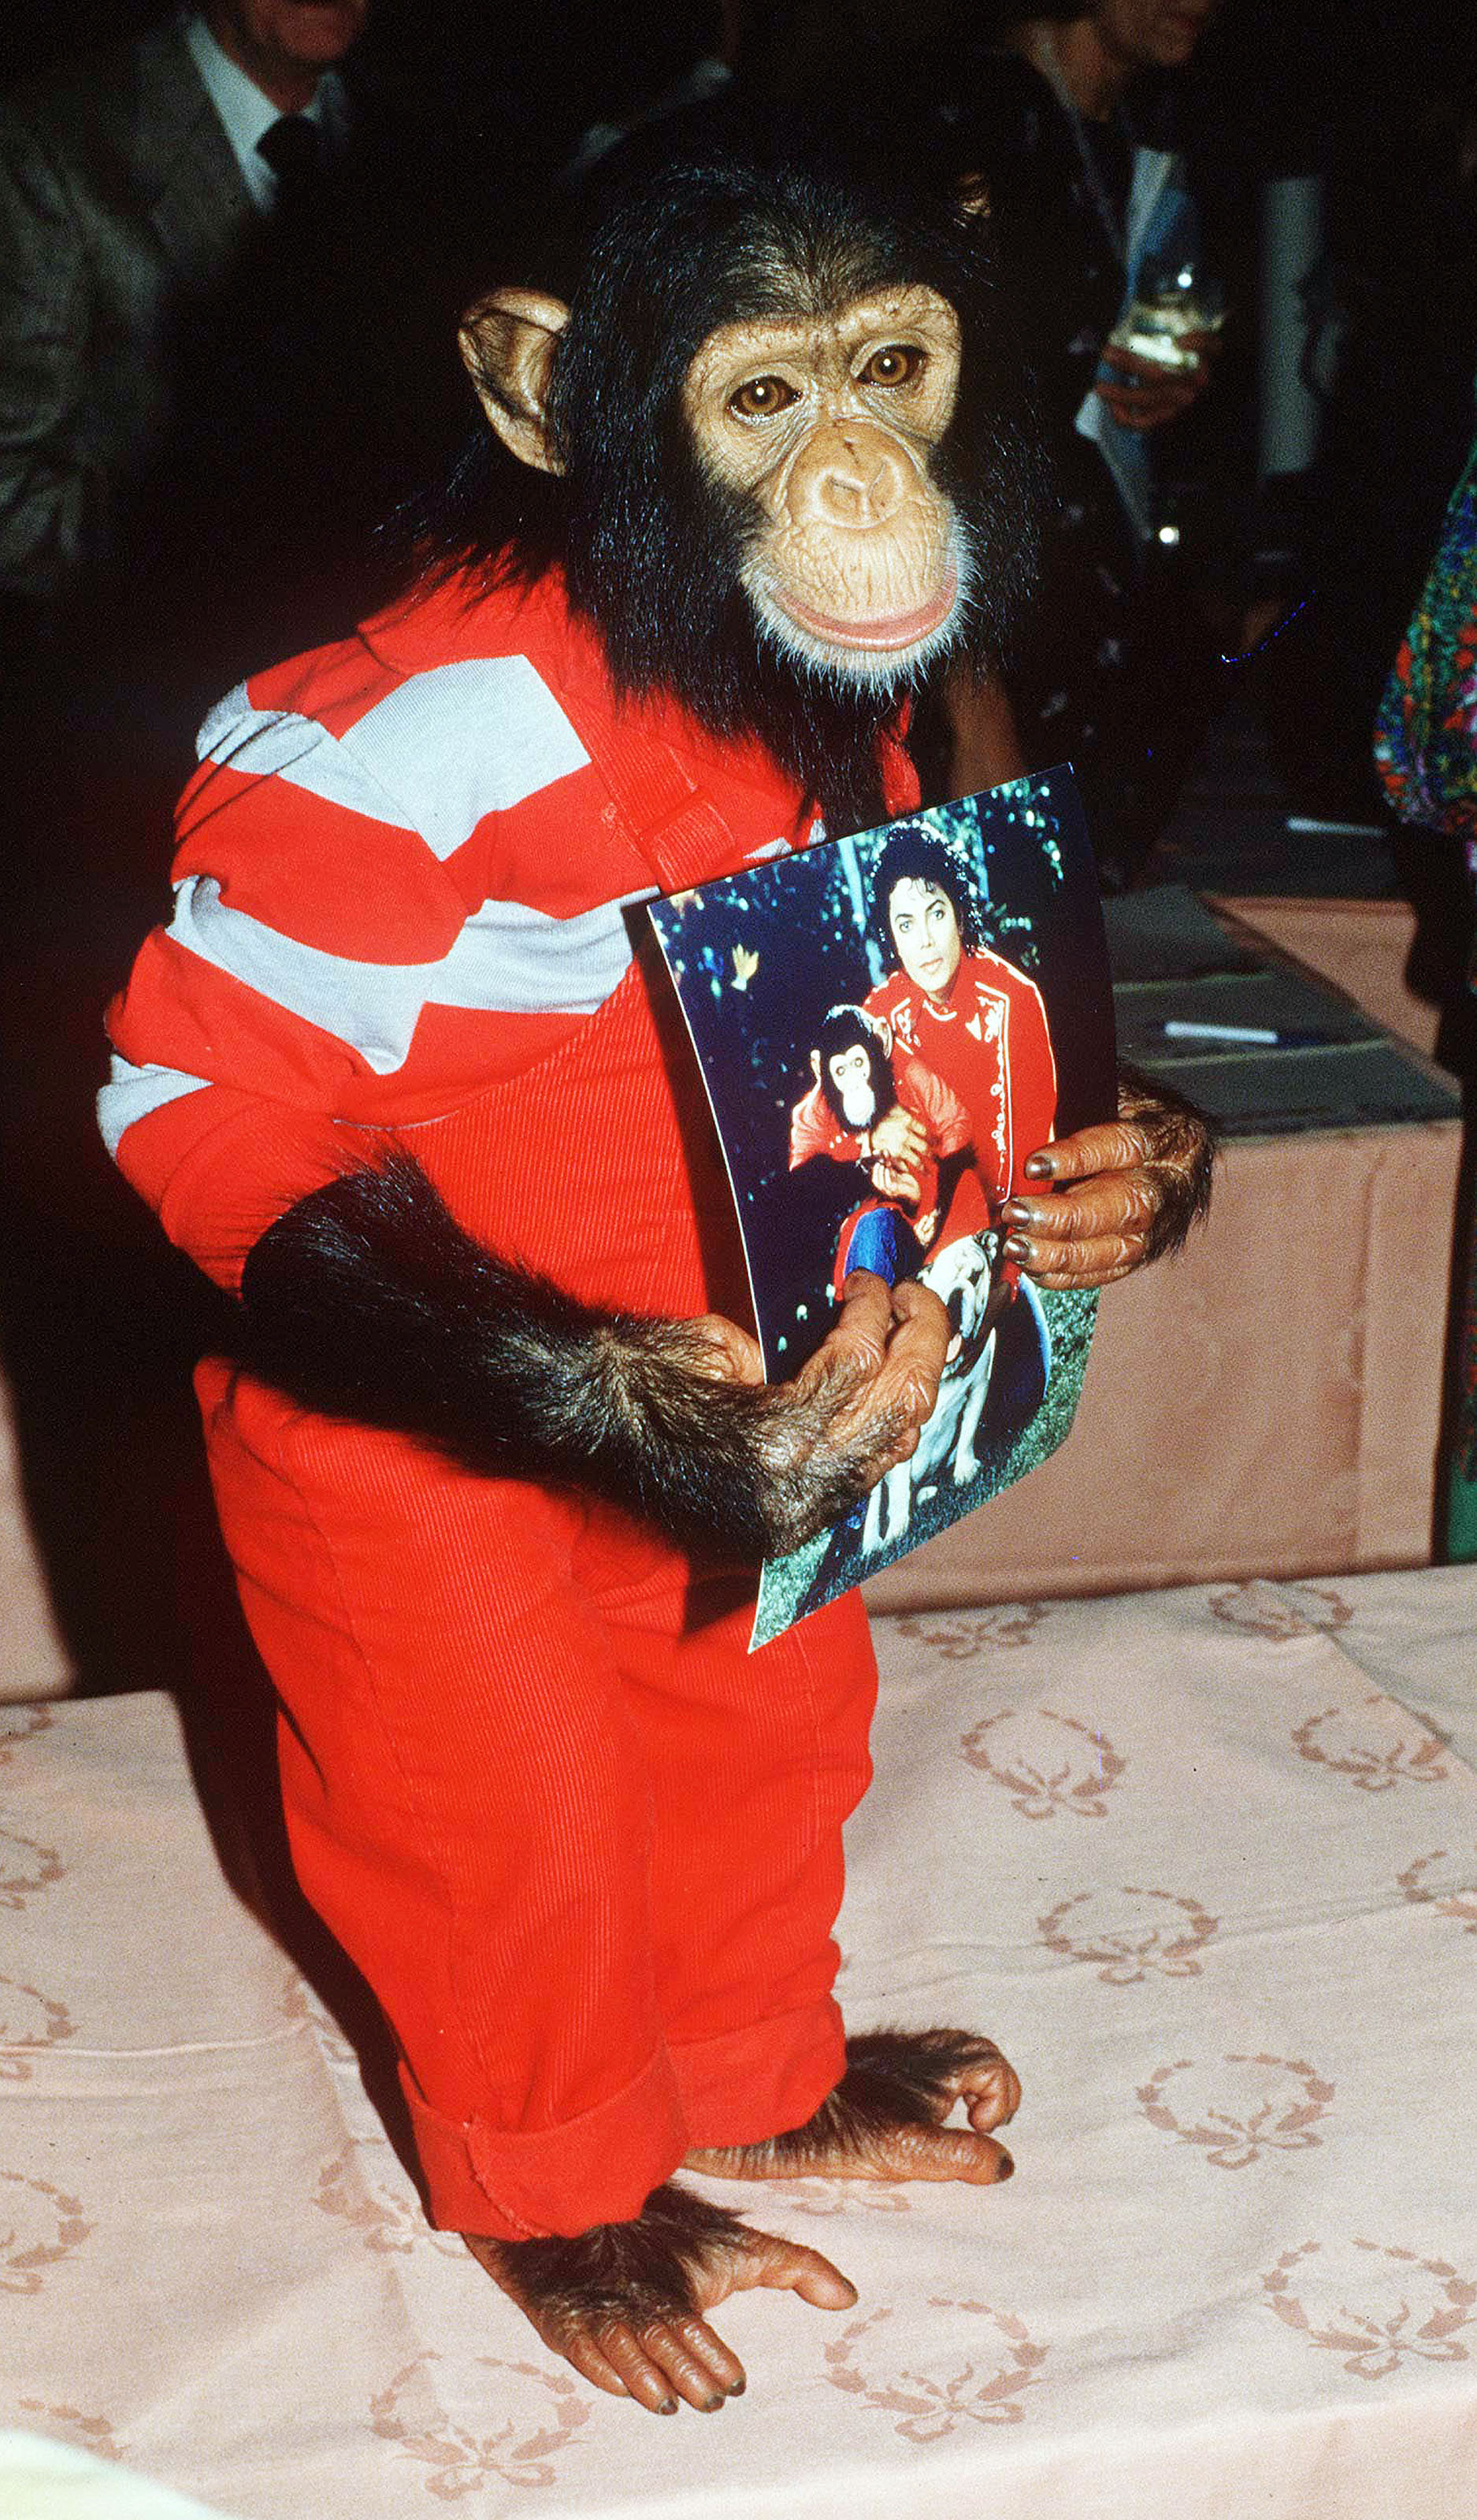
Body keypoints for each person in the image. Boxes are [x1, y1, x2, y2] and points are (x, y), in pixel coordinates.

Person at [918, 0, 1224, 883]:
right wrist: (976, 703)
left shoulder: (1139, 121)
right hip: (991, 631)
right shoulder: (973, 116)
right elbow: (923, 426)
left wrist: (1177, 370)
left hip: (1100, 607)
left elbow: (1128, 338)